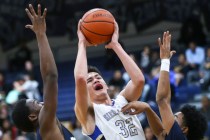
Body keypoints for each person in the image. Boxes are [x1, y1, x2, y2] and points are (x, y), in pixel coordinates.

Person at [74, 14, 164, 139]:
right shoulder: (90, 112)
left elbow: (139, 80)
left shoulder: (122, 100)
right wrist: (82, 43)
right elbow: (79, 79)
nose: (95, 80)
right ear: (85, 92)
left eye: (98, 77)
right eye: (89, 80)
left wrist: (115, 45)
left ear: (106, 84)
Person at [121, 31, 208, 140]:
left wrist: (165, 61)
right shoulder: (175, 137)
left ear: (184, 129)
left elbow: (162, 100)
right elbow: (160, 133)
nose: (170, 117)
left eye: (175, 117)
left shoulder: (179, 138)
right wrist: (147, 109)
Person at [11, 4, 75, 140]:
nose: (42, 102)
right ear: (33, 116)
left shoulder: (47, 129)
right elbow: (50, 77)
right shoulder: (45, 126)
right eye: (36, 103)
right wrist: (40, 35)